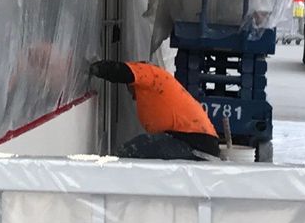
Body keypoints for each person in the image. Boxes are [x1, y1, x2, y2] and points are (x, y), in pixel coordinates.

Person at [88, 58, 224, 161]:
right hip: (195, 143)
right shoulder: (160, 86)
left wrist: (96, 68)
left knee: (128, 154)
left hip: (193, 144)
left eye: (131, 89)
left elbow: (122, 71)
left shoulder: (151, 73)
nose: (133, 97)